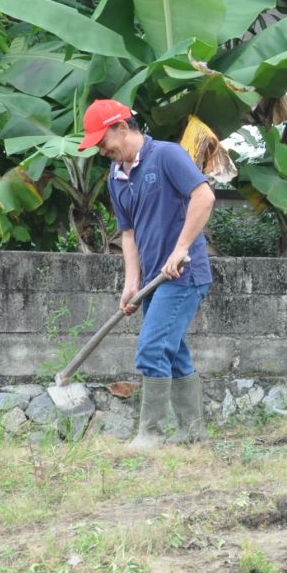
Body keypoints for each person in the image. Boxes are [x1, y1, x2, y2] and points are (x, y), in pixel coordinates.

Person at [77, 99, 216, 448]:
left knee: (152, 349)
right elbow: (129, 234)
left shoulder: (166, 155)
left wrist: (181, 247)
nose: (102, 150)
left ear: (122, 127)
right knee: (173, 350)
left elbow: (204, 196)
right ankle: (193, 434)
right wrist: (131, 283)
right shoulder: (116, 176)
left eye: (103, 141)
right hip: (154, 280)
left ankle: (150, 435)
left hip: (183, 275)